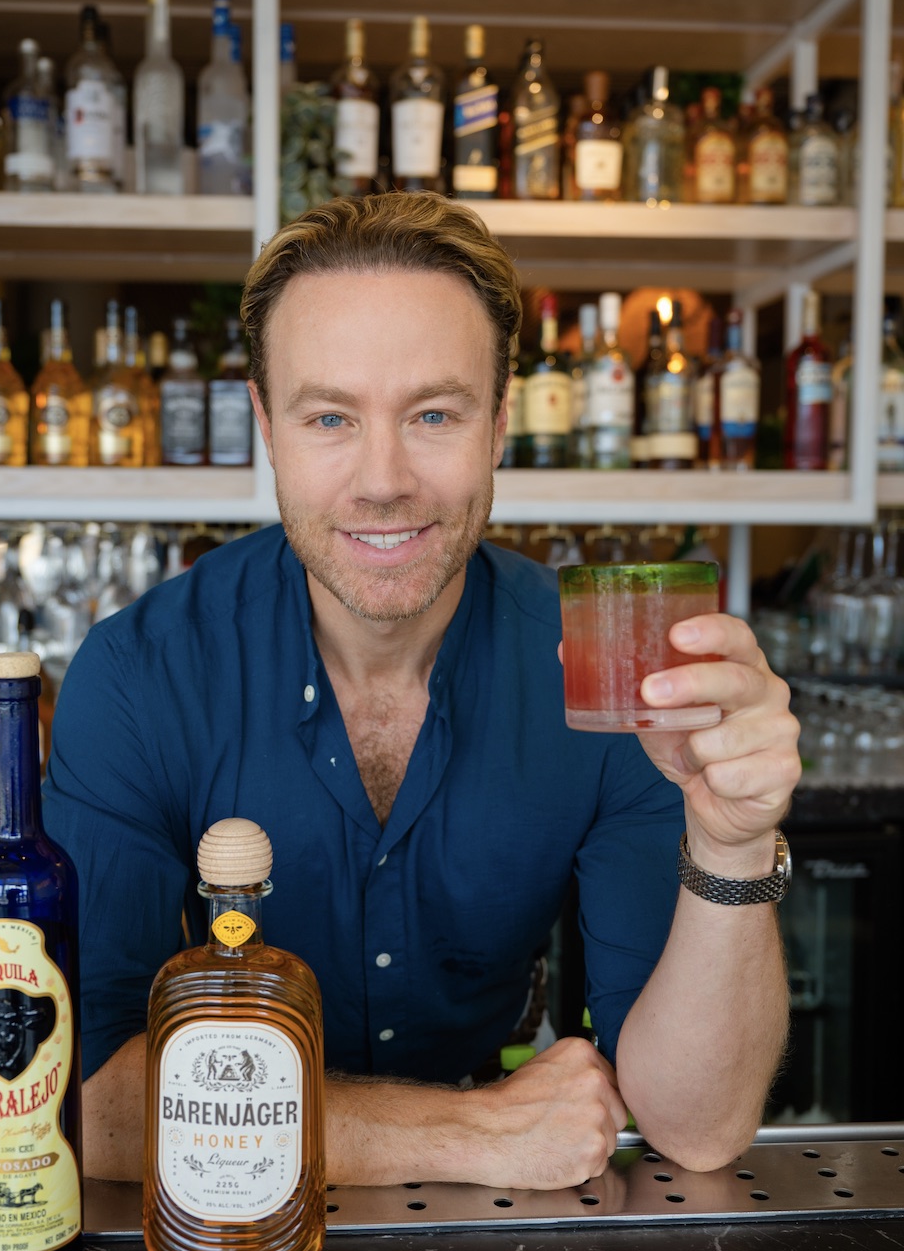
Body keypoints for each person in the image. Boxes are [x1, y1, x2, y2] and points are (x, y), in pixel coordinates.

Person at [43, 193, 799, 1190]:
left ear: (497, 422)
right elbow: (86, 1106)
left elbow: (696, 1129)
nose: (383, 479)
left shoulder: (603, 669)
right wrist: (462, 1134)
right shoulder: (141, 675)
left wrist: (732, 846)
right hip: (228, 1237)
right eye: (330, 418)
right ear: (267, 425)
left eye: (434, 413)